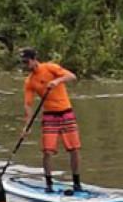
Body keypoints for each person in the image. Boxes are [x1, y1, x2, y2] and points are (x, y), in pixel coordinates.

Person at [19, 46, 81, 193]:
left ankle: (77, 183)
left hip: (66, 112)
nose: (25, 66)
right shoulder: (29, 81)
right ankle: (48, 184)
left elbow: (72, 76)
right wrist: (27, 126)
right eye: (22, 63)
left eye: (27, 62)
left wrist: (57, 81)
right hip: (49, 116)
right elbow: (28, 104)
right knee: (47, 151)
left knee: (74, 149)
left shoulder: (50, 68)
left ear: (34, 59)